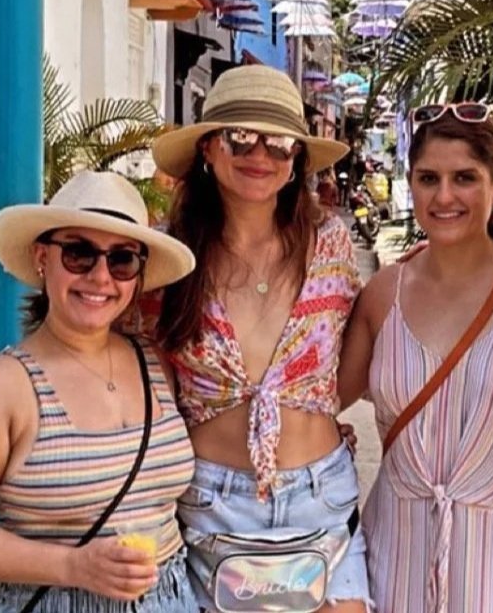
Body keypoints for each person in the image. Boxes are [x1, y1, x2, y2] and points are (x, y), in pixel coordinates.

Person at [0, 171, 201, 613]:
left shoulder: (156, 365)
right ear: (41, 258)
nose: (100, 276)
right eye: (78, 253)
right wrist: (75, 566)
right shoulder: (1, 386)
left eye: (122, 259)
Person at [148, 66, 371, 613]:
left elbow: (374, 330)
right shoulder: (168, 258)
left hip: (322, 502)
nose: (260, 155)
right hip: (210, 507)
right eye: (240, 137)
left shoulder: (331, 245)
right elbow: (106, 349)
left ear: (297, 160)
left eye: (280, 143)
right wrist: (4, 373)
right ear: (207, 148)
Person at [338, 101, 493, 612]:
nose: (444, 196)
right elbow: (314, 401)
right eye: (429, 179)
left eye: (464, 177)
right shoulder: (383, 294)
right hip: (396, 565)